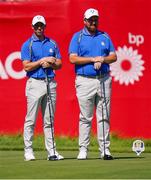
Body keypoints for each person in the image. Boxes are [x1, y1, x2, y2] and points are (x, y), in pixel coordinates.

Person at [69, 8, 117, 160]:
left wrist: (103, 59)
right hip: (84, 80)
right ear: (84, 21)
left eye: (95, 19)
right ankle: (83, 149)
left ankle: (105, 149)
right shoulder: (77, 37)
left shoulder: (104, 36)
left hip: (103, 78)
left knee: (104, 115)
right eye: (90, 20)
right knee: (85, 117)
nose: (93, 22)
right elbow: (73, 58)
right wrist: (93, 59)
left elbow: (113, 56)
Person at [21, 15, 64, 161]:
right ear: (32, 27)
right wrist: (41, 61)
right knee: (31, 119)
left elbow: (60, 64)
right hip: (35, 83)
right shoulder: (28, 45)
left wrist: (51, 64)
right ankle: (28, 150)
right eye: (37, 25)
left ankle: (52, 151)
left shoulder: (52, 43)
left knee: (49, 120)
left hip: (50, 82)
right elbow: (26, 66)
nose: (39, 28)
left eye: (42, 25)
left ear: (45, 27)